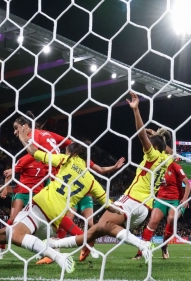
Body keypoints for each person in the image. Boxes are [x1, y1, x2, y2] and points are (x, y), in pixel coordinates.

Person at [0, 131, 119, 274]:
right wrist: (121, 211)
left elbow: (35, 152)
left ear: (72, 153)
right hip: (55, 221)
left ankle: (57, 256)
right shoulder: (92, 180)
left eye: (66, 151)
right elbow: (108, 204)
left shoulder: (67, 160)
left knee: (16, 236)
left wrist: (21, 136)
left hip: (40, 207)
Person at [48, 92, 173, 264]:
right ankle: (59, 245)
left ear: (155, 146)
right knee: (98, 229)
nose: (147, 143)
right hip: (145, 210)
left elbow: (140, 134)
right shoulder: (167, 160)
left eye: (152, 142)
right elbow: (171, 151)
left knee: (102, 225)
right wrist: (160, 139)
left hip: (132, 200)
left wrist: (136, 111)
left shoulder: (152, 156)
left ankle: (142, 244)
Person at [0, 112, 72, 259]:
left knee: (39, 223)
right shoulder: (28, 157)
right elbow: (10, 173)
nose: (14, 132)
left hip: (38, 193)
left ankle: (43, 248)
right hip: (23, 191)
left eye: (16, 128)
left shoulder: (43, 159)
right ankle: (1, 248)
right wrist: (6, 188)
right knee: (13, 220)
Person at [38, 157, 126, 264]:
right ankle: (57, 248)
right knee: (66, 220)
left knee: (89, 222)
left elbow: (101, 169)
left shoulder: (86, 160)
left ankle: (90, 246)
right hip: (72, 194)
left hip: (85, 195)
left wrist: (114, 167)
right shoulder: (69, 159)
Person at [132, 141, 190, 259]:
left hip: (175, 200)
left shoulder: (174, 166)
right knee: (152, 222)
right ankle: (140, 253)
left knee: (172, 218)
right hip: (161, 199)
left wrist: (185, 199)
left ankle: (164, 245)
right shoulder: (156, 167)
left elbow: (188, 184)